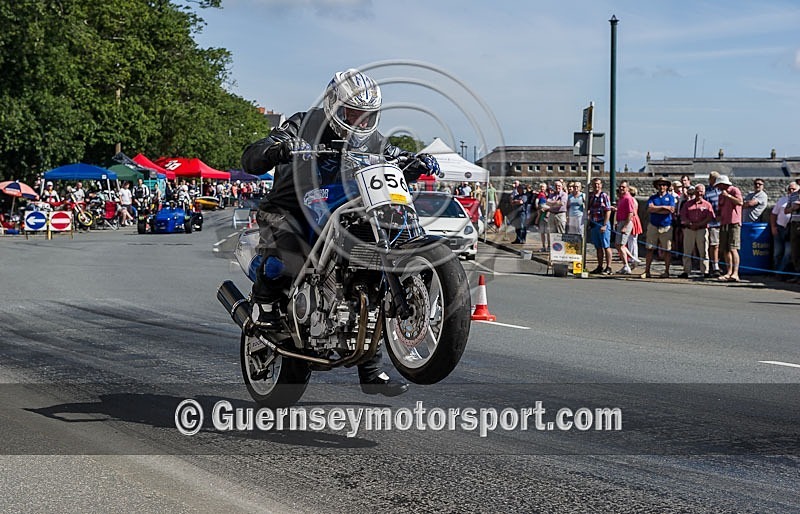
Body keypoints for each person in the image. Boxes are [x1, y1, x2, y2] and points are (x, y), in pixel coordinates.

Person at [240, 69, 439, 397]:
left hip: (345, 208)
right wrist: (276, 148)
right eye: (353, 113)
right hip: (292, 208)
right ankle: (263, 310)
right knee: (284, 259)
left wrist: (415, 162)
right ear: (334, 106)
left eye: (367, 115)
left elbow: (394, 157)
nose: (360, 121)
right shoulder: (304, 124)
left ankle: (371, 367)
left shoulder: (373, 141)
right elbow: (252, 157)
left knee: (369, 269)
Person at [678, 184, 715, 279]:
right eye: (698, 191)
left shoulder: (707, 205)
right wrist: (690, 224)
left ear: (704, 192)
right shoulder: (687, 204)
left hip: (702, 229)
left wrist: (699, 224)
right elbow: (683, 216)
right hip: (689, 230)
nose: (699, 193)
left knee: (704, 251)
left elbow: (710, 217)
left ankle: (705, 271)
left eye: (701, 191)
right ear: (695, 192)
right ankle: (686, 271)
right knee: (687, 251)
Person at [644, 177, 676, 279]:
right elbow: (650, 209)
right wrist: (663, 207)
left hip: (666, 226)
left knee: (667, 250)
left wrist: (657, 209)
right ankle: (647, 271)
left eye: (664, 185)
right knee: (649, 248)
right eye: (660, 185)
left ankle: (666, 271)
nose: (662, 187)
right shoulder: (653, 197)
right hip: (654, 225)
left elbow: (670, 210)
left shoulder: (670, 198)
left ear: (667, 186)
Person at [715, 175, 743, 282]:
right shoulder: (720, 195)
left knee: (733, 248)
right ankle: (729, 271)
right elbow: (720, 209)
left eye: (719, 185)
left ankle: (735, 273)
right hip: (724, 222)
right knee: (725, 249)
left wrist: (728, 196)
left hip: (734, 222)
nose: (718, 188)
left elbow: (740, 202)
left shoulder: (734, 190)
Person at [770, 182, 799, 278]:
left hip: (792, 227)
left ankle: (781, 273)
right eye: (789, 189)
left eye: (793, 189)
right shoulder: (784, 199)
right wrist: (773, 227)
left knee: (788, 253)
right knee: (777, 253)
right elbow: (776, 213)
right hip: (782, 228)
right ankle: (779, 273)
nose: (791, 191)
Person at [587, 178, 612, 275]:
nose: (596, 186)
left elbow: (608, 210)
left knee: (606, 246)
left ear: (601, 185)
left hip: (602, 223)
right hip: (594, 223)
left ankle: (609, 267)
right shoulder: (591, 196)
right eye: (594, 184)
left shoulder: (604, 196)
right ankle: (600, 266)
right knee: (598, 247)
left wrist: (605, 225)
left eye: (598, 184)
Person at [613, 181, 637, 274]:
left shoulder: (628, 198)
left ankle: (628, 264)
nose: (621, 188)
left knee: (622, 245)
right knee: (618, 244)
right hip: (620, 222)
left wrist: (625, 226)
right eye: (620, 187)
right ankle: (626, 263)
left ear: (627, 188)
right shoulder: (621, 198)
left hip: (625, 222)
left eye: (623, 187)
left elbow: (631, 213)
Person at [704, 171, 723, 277]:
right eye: (713, 179)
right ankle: (715, 266)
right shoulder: (707, 192)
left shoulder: (722, 190)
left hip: (723, 222)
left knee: (723, 245)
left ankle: (720, 264)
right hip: (712, 222)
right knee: (714, 245)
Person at [783, 180, 800, 283]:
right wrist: (793, 208)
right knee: (795, 252)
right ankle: (797, 275)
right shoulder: (793, 195)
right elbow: (786, 210)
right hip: (794, 224)